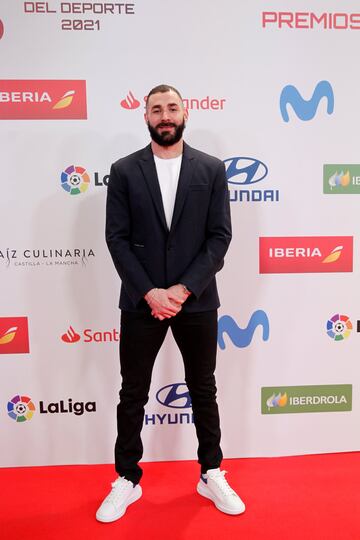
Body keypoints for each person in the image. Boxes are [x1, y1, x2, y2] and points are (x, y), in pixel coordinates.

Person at [96, 84, 245, 522]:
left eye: (172, 108)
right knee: (132, 393)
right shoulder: (124, 171)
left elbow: (220, 237)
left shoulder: (212, 169)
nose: (165, 115)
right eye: (156, 109)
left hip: (195, 301)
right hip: (142, 301)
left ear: (186, 113)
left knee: (203, 389)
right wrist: (149, 292)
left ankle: (211, 472)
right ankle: (126, 479)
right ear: (145, 117)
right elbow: (116, 238)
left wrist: (182, 290)